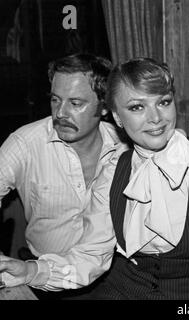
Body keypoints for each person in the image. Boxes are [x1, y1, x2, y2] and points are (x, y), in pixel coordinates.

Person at [72, 57, 189, 300]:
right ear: (117, 118)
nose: (156, 118)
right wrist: (31, 270)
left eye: (163, 102)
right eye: (137, 107)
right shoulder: (113, 171)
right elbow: (90, 256)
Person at [0, 53, 124, 295]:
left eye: (76, 103)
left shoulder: (125, 147)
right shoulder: (25, 143)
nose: (61, 113)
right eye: (56, 100)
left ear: (105, 106)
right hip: (44, 279)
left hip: (117, 277)